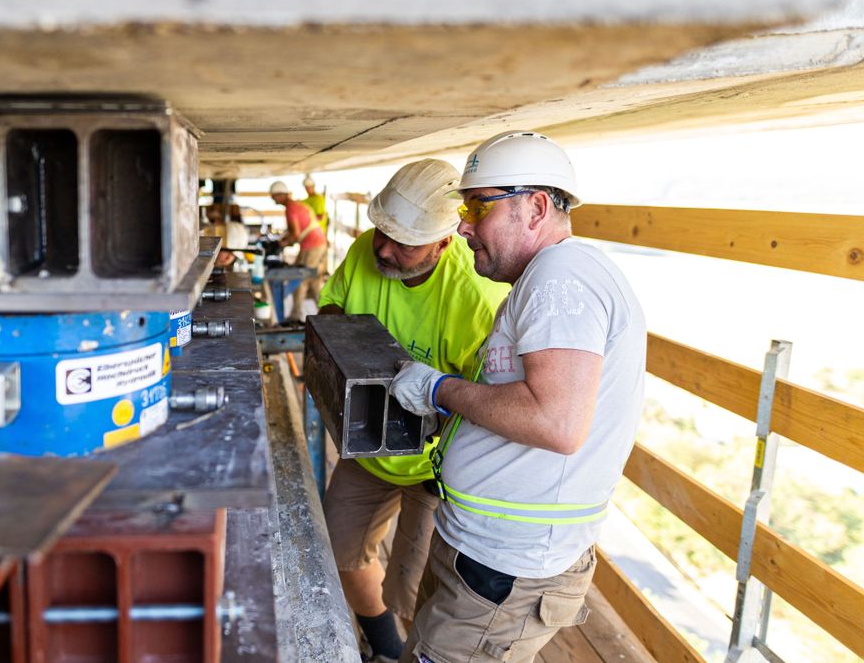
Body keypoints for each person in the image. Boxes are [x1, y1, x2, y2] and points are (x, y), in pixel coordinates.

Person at [388, 131, 646, 663]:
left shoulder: (562, 276)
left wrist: (442, 389)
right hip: (484, 555)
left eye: (477, 206)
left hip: (503, 572)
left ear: (535, 207)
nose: (462, 225)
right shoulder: (546, 280)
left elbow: (557, 422)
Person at [318, 159, 511, 662]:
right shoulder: (368, 250)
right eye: (380, 232)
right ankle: (385, 645)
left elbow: (489, 405)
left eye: (403, 243)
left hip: (437, 464)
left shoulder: (476, 299)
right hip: (368, 447)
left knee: (415, 585)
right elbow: (332, 311)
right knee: (339, 550)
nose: (383, 249)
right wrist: (358, 350)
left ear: (445, 242)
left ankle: (402, 643)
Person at [270, 180, 327, 323]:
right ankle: (326, 313)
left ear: (280, 195)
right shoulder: (296, 205)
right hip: (316, 244)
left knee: (299, 278)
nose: (272, 199)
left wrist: (282, 243)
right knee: (312, 280)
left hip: (312, 246)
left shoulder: (290, 209)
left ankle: (295, 315)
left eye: (273, 196)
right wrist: (284, 239)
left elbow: (295, 235)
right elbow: (295, 231)